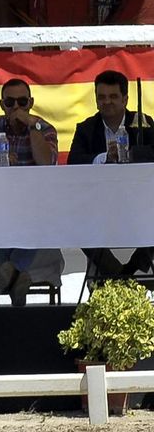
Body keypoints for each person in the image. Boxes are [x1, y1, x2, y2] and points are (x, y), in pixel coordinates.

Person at [0, 78, 58, 305]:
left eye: (22, 102)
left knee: (40, 216)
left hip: (34, 203)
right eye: (10, 102)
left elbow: (47, 163)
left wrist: (31, 126)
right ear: (1, 104)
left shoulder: (44, 128)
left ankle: (9, 272)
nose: (16, 108)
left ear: (31, 103)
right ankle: (18, 275)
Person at [68, 70, 154, 278]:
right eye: (102, 97)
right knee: (74, 225)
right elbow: (74, 163)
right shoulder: (86, 128)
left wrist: (131, 154)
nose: (107, 102)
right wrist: (104, 157)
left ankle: (127, 272)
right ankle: (119, 276)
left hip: (140, 204)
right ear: (96, 100)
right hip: (99, 205)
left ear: (125, 98)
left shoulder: (143, 122)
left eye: (113, 97)